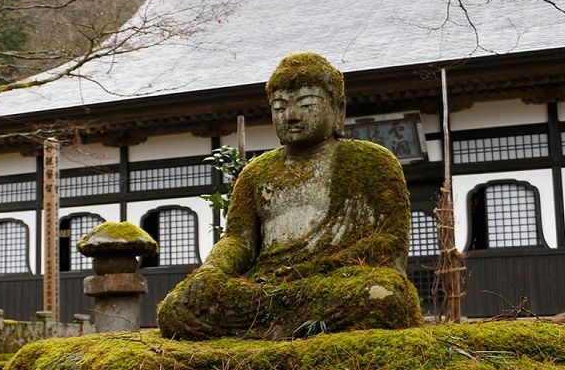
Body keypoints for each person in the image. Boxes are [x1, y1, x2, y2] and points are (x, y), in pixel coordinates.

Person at [157, 52, 422, 339]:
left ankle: (266, 328)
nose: (292, 115)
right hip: (266, 288)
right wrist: (211, 270)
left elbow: (391, 242)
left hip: (335, 283)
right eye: (280, 107)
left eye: (306, 104)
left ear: (338, 110)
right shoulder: (256, 172)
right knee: (176, 308)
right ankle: (284, 326)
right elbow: (238, 239)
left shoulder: (372, 161)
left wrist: (318, 269)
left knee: (383, 295)